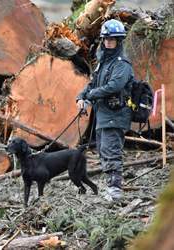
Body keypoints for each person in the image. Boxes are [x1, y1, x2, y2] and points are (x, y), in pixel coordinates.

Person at [76, 19, 135, 202]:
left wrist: (91, 96)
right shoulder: (103, 63)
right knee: (103, 150)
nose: (109, 43)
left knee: (111, 151)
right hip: (103, 116)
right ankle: (111, 187)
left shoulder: (121, 64)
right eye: (107, 40)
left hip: (116, 115)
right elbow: (92, 83)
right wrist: (81, 97)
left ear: (119, 42)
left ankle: (115, 190)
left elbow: (114, 86)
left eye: (113, 40)